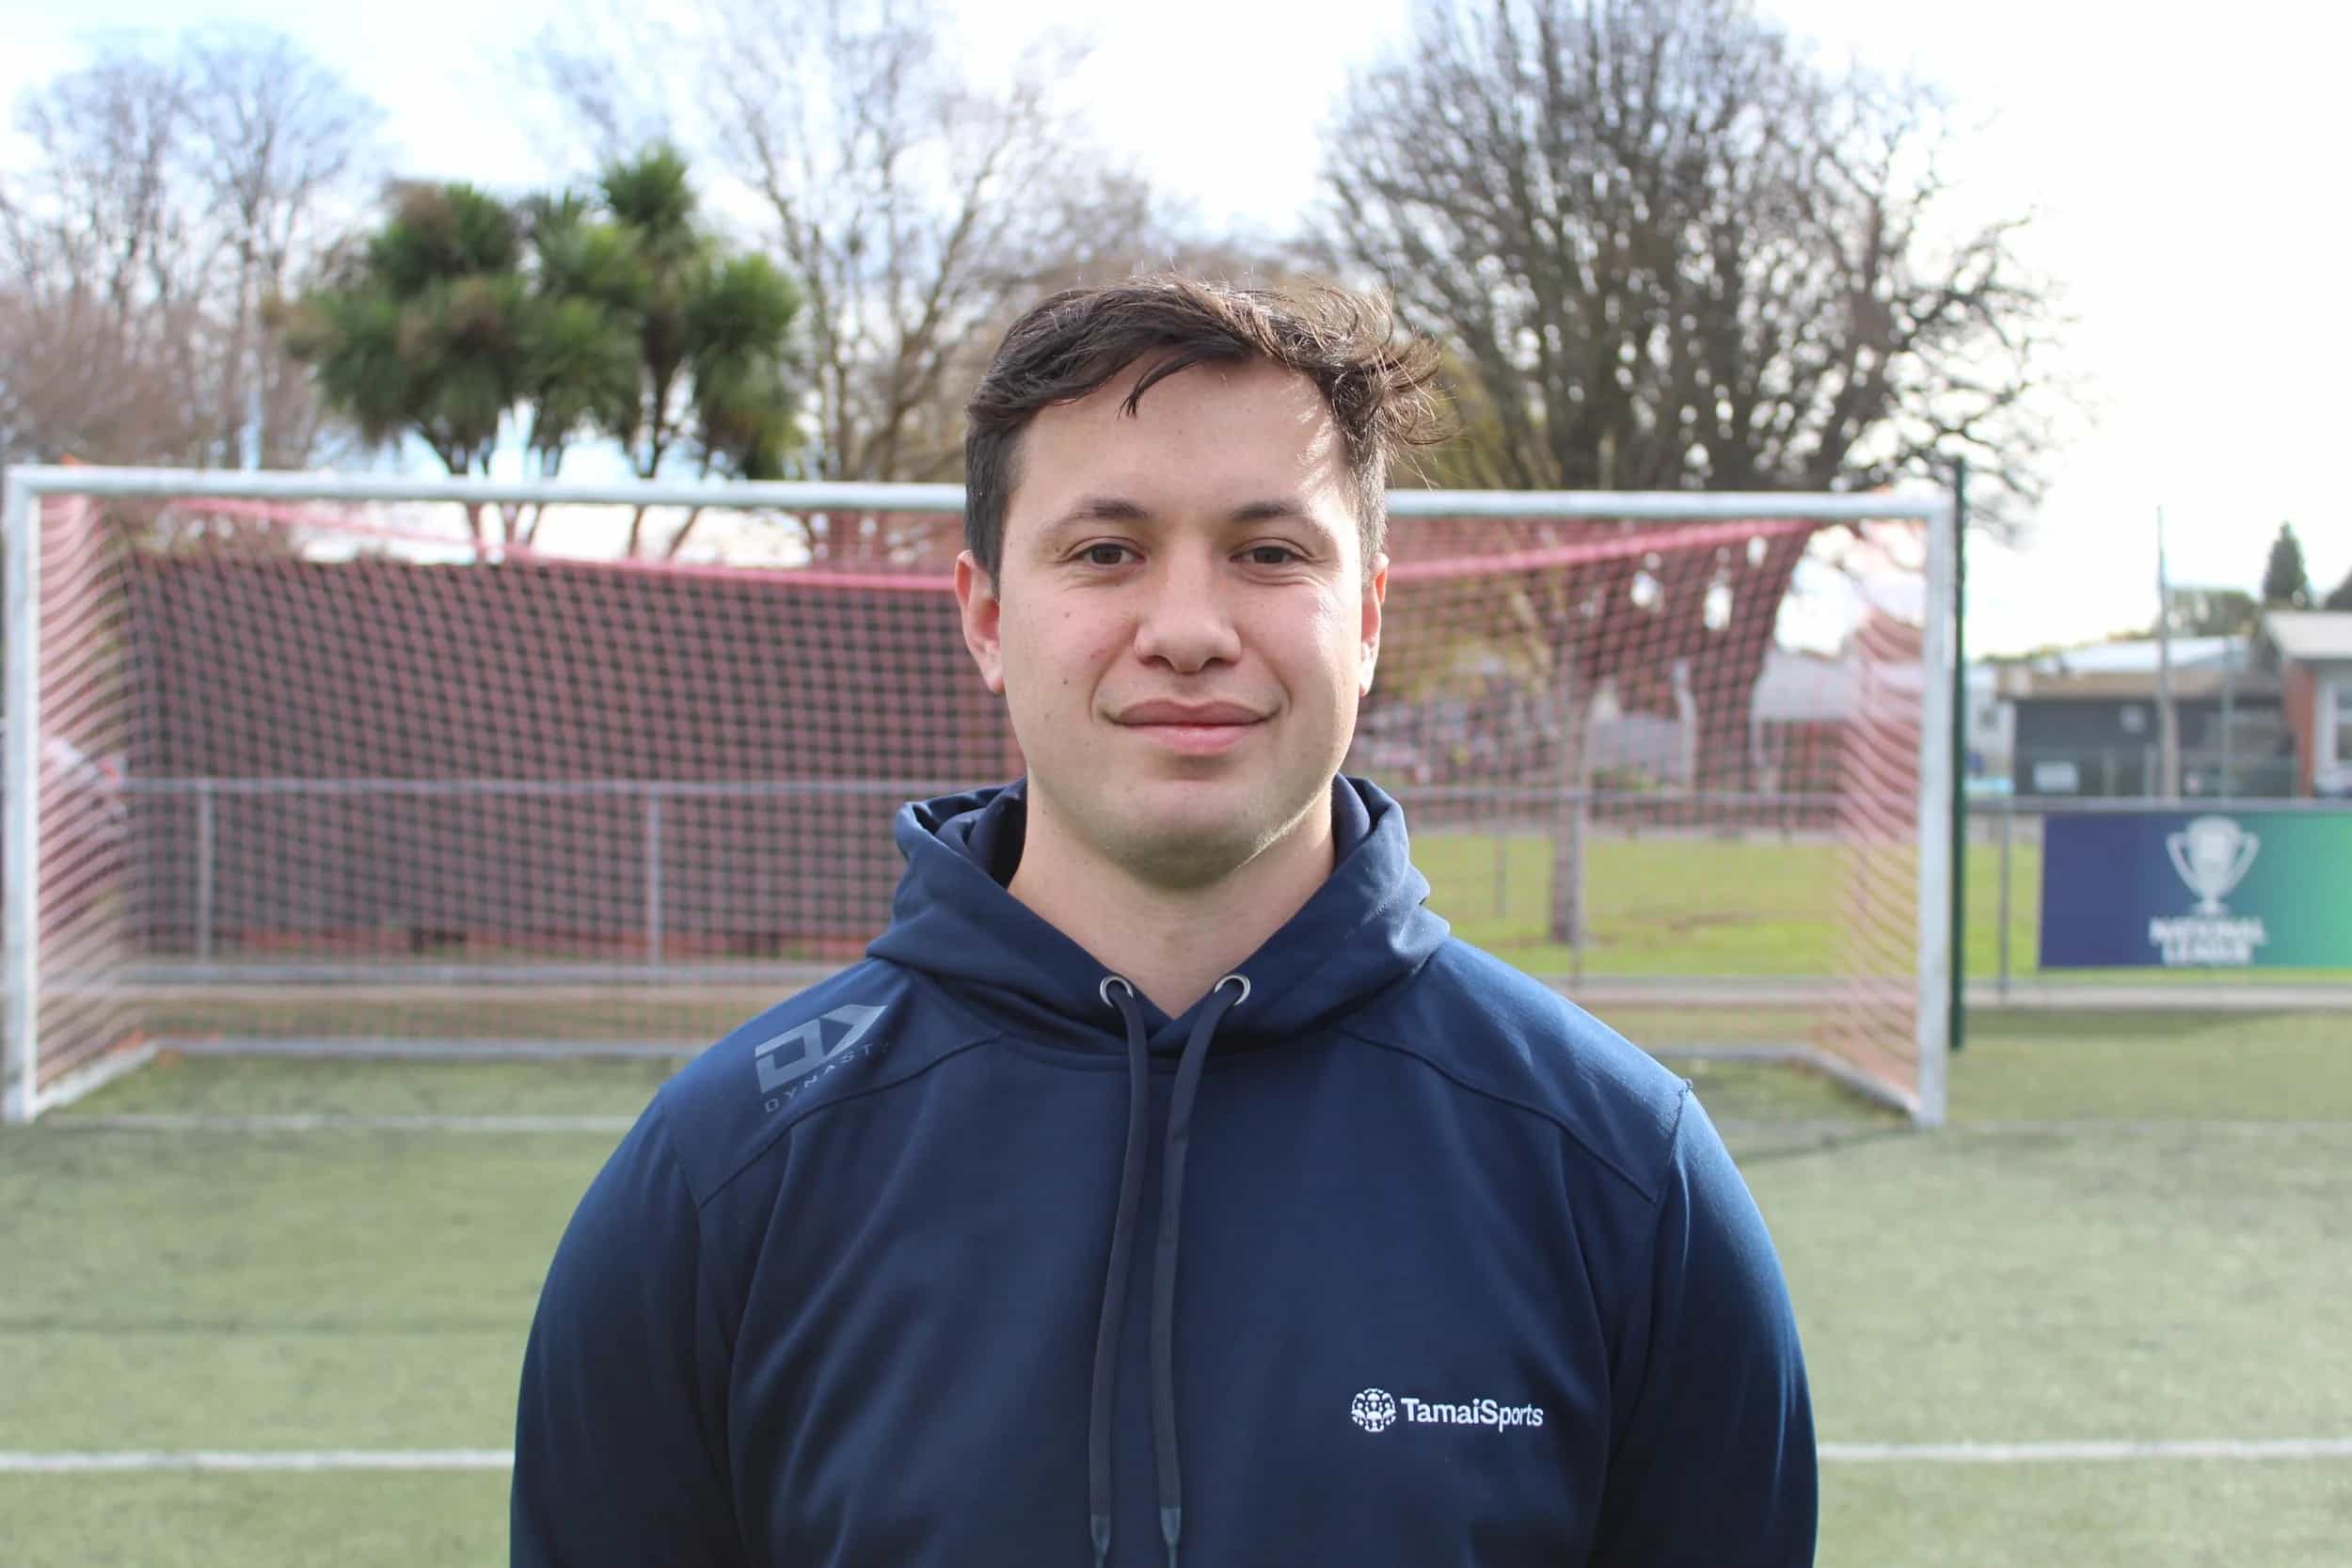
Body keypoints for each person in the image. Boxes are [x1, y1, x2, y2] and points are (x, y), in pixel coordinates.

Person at [511, 277, 1815, 1567]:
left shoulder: (1619, 1171)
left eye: (1269, 553)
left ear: (1367, 621)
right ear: (986, 618)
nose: (1189, 632)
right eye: (1105, 553)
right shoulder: (724, 1174)